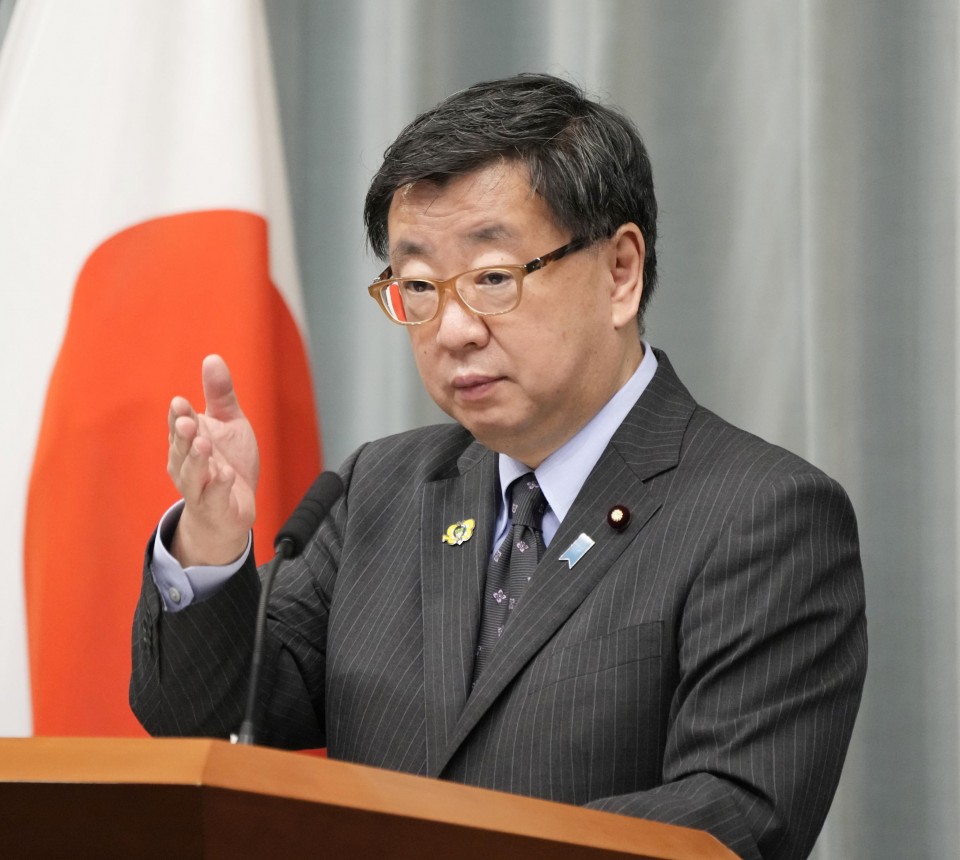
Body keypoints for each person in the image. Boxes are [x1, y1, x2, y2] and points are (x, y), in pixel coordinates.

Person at [131, 73, 867, 860]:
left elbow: (736, 813)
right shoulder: (379, 490)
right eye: (417, 286)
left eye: (492, 279)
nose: (451, 329)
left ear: (620, 271)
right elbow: (211, 721)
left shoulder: (764, 514)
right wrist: (210, 545)